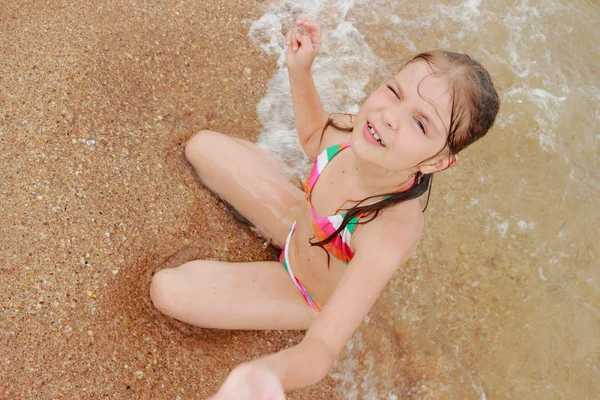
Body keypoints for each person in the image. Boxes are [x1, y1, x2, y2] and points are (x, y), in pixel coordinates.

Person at [149, 18, 500, 400]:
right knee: (200, 146)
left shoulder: (389, 230)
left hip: (305, 290)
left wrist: (267, 374)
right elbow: (315, 137)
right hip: (297, 225)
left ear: (436, 162)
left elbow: (321, 350)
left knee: (168, 290)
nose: (389, 116)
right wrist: (300, 69)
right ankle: (267, 175)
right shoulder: (357, 132)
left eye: (419, 123)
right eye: (395, 92)